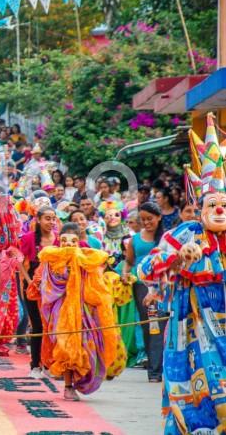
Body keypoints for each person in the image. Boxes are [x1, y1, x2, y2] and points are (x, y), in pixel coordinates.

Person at [138, 113, 226, 433]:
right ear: (201, 206)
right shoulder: (184, 234)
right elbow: (145, 268)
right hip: (191, 332)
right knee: (196, 402)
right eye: (213, 203)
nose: (219, 210)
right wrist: (175, 258)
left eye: (225, 204)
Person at [38, 222, 118, 401]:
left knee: (85, 346)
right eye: (64, 241)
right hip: (61, 310)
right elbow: (49, 288)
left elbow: (95, 284)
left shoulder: (87, 259)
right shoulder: (52, 260)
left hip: (83, 310)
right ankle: (67, 386)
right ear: (59, 241)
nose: (68, 245)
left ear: (78, 242)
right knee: (66, 348)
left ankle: (79, 381)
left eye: (72, 241)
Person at [123, 202, 164, 382]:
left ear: (159, 217)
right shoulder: (135, 239)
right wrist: (125, 274)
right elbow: (129, 262)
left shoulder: (167, 237)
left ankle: (157, 369)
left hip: (163, 284)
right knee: (148, 325)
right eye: (143, 219)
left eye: (150, 219)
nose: (147, 222)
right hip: (141, 285)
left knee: (160, 325)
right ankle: (153, 366)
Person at [18, 206, 58, 378]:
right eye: (47, 218)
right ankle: (35, 365)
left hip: (55, 289)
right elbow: (19, 263)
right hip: (33, 289)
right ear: (38, 220)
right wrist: (30, 283)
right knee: (37, 325)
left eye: (53, 218)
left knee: (53, 326)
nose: (51, 222)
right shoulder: (28, 239)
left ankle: (50, 363)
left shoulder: (59, 240)